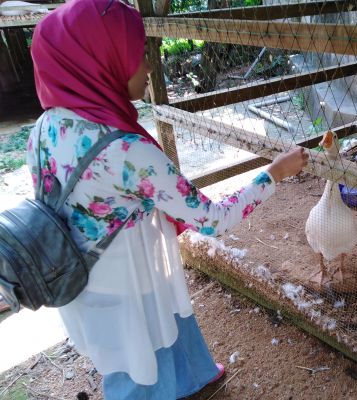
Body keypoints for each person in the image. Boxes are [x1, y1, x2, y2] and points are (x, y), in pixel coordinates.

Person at [27, 0, 308, 398]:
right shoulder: (126, 151)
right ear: (103, 59)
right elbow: (214, 220)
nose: (148, 65)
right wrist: (274, 173)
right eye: (136, 53)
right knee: (136, 367)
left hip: (79, 277)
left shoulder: (45, 126)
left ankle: (192, 375)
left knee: (149, 336)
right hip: (129, 281)